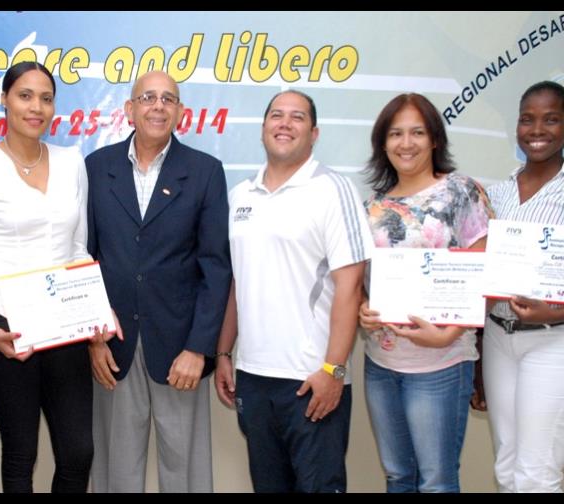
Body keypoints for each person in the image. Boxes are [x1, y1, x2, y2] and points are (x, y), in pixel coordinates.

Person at [214, 90, 372, 492]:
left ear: (314, 132)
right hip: (253, 378)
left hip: (311, 379)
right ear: (263, 127)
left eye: (297, 117)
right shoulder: (240, 196)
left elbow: (350, 286)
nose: (285, 123)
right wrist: (223, 353)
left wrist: (334, 369)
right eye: (276, 115)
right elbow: (238, 281)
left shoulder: (333, 189)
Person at [0, 61, 93, 493]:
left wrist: (94, 318)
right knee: (21, 450)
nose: (36, 107)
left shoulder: (72, 162)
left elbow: (79, 250)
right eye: (25, 95)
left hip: (62, 323)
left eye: (46, 98)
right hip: (2, 325)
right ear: (5, 100)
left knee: (78, 452)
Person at [85, 70, 231, 493]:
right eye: (148, 97)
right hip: (114, 348)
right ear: (129, 109)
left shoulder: (205, 171)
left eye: (169, 99)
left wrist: (199, 349)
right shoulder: (97, 167)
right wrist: (94, 336)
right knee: (116, 473)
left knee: (186, 474)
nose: (158, 105)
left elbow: (216, 268)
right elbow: (83, 258)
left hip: (180, 350)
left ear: (180, 112)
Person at [356, 93, 492, 492]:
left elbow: (483, 272)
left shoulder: (461, 192)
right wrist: (364, 309)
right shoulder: (372, 206)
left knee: (435, 481)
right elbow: (364, 282)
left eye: (417, 132)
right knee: (398, 475)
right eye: (396, 133)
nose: (406, 142)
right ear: (383, 143)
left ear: (435, 139)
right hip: (381, 364)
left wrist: (447, 335)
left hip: (442, 364)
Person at [482, 80, 564, 492]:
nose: (537, 130)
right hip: (499, 338)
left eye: (551, 119)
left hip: (551, 342)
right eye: (527, 119)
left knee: (537, 470)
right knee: (507, 462)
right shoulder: (495, 195)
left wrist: (558, 310)